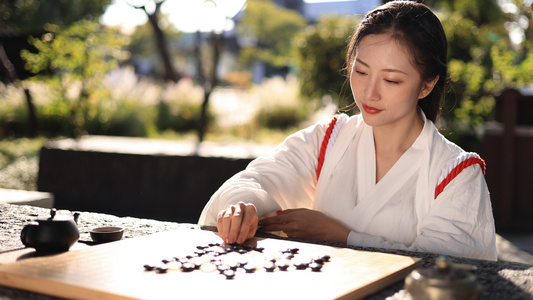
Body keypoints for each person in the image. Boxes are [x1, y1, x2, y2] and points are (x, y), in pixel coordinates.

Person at [198, 0, 497, 261]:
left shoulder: (457, 174)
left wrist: (342, 236)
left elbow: (451, 267)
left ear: (427, 84)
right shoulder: (329, 138)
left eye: (391, 80)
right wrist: (242, 207)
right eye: (361, 71)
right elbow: (258, 179)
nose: (369, 93)